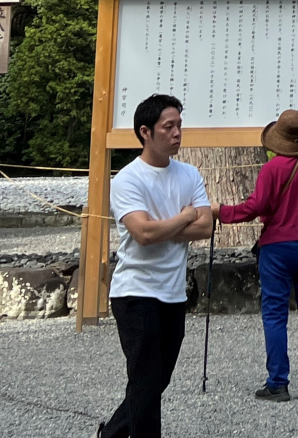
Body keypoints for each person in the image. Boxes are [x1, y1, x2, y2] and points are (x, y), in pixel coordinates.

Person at [97, 93, 213, 438]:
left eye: (179, 125)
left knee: (156, 380)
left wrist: (171, 224)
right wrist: (184, 216)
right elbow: (143, 233)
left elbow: (205, 227)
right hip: (135, 292)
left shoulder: (189, 173)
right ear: (145, 132)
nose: (177, 132)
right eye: (169, 126)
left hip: (173, 293)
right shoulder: (128, 179)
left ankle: (110, 435)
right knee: (146, 380)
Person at [212, 108, 298, 402]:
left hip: (277, 247)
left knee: (274, 313)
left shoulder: (271, 169)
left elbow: (255, 207)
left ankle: (278, 383)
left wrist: (224, 213)